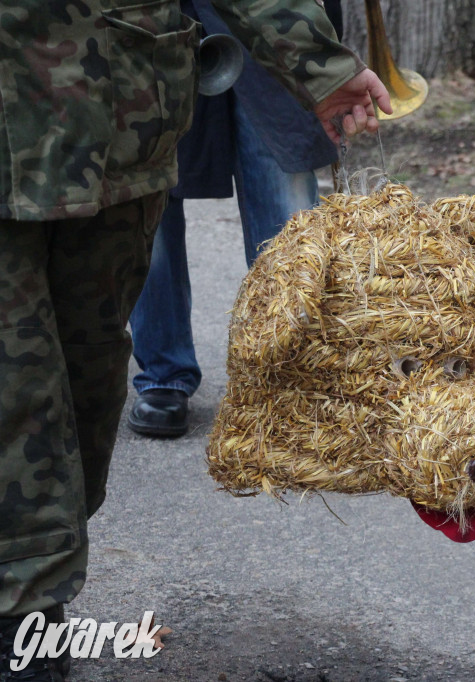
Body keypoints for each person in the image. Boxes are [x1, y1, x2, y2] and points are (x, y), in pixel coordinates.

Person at [0, 0, 391, 679]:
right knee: (15, 382)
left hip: (120, 118)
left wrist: (320, 64)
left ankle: (38, 567)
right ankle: (25, 609)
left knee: (89, 374)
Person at [126, 0, 343, 438]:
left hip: (276, 22)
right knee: (147, 200)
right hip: (149, 24)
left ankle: (297, 379)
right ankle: (163, 374)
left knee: (289, 217)